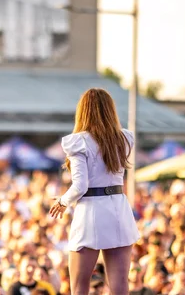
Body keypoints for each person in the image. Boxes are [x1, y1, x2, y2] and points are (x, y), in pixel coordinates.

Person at [49, 88, 139, 295]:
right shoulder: (124, 138)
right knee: (120, 286)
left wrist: (62, 201)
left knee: (79, 286)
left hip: (91, 211)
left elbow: (81, 185)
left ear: (83, 111)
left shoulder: (79, 141)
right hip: (118, 207)